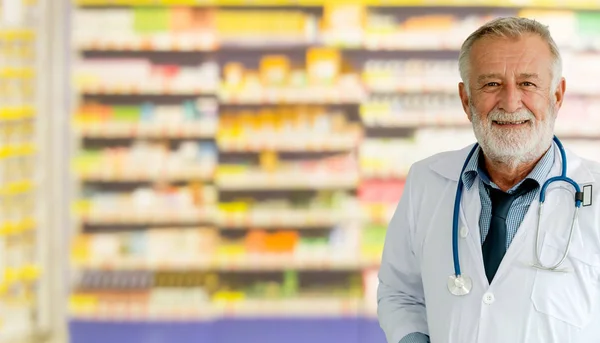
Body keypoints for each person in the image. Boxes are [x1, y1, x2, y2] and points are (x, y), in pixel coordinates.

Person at [377, 17, 600, 343]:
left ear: (557, 95)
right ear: (466, 100)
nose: (510, 103)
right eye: (491, 84)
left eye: (528, 84)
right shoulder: (426, 181)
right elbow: (400, 292)